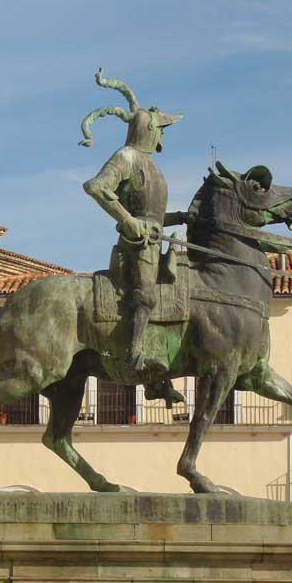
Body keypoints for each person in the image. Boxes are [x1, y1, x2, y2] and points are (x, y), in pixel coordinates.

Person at [79, 69, 186, 385]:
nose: (163, 136)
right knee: (146, 295)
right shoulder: (126, 156)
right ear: (150, 128)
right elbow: (96, 187)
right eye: (161, 129)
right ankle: (134, 355)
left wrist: (180, 218)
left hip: (154, 238)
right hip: (136, 244)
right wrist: (128, 221)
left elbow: (151, 216)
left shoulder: (153, 165)